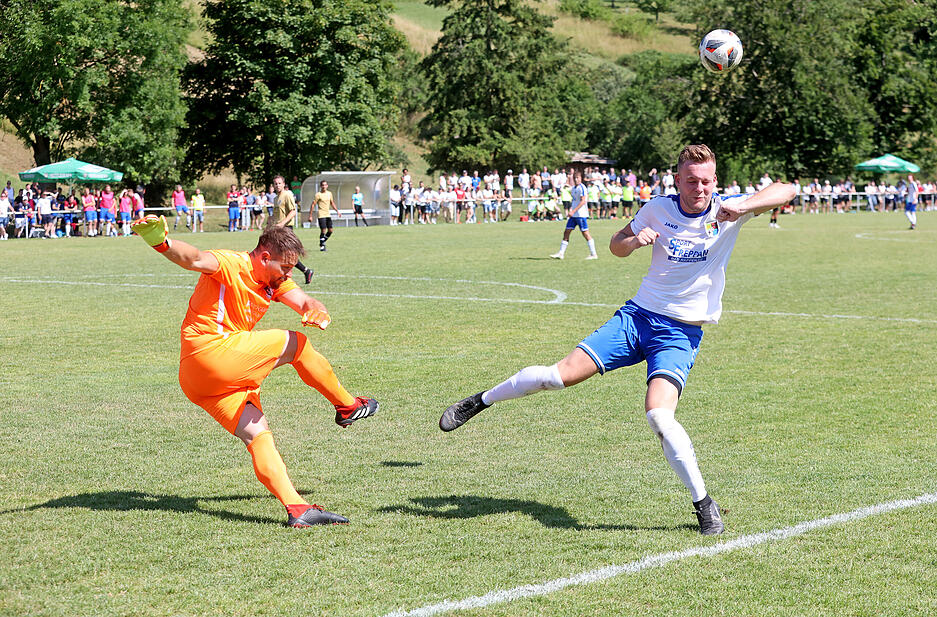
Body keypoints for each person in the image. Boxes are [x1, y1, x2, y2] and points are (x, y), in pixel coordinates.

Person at [441, 144, 796, 535]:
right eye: (691, 181)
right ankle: (480, 401)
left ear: (716, 180)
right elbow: (616, 245)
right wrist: (634, 240)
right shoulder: (657, 208)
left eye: (707, 181)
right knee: (557, 377)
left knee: (659, 416)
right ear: (676, 180)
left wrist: (743, 209)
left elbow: (788, 189)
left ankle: (704, 504)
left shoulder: (728, 209)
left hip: (679, 333)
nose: (700, 189)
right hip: (636, 318)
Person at [129, 218, 378, 526]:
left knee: (258, 433)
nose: (288, 275)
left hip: (201, 381)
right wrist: (162, 243)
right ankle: (348, 406)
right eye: (284, 268)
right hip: (211, 353)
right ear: (264, 257)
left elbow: (304, 300)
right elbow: (193, 258)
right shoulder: (230, 264)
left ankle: (298, 509)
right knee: (298, 344)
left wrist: (317, 309)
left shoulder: (273, 280)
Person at [272, 175, 315, 284]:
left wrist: (282, 223)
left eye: (279, 183)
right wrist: (270, 223)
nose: (277, 185)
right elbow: (276, 215)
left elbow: (293, 212)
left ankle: (283, 276)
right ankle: (305, 271)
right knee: (284, 254)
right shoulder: (276, 198)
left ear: (283, 184)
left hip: (286, 228)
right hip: (278, 229)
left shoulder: (287, 195)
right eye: (275, 183)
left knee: (284, 254)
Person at [550, 173, 597, 260]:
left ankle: (593, 254)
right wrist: (572, 210)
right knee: (566, 232)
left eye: (577, 178)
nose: (576, 179)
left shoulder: (582, 188)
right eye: (575, 178)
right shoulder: (574, 188)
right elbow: (575, 201)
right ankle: (561, 253)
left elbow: (583, 201)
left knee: (585, 234)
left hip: (581, 215)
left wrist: (573, 211)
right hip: (574, 215)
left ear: (581, 178)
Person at [309, 180, 342, 250]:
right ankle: (322, 247)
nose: (324, 186)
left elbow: (332, 203)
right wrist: (310, 216)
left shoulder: (329, 193)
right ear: (321, 186)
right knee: (323, 230)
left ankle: (322, 242)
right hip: (321, 215)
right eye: (323, 185)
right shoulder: (318, 194)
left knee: (330, 231)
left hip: (328, 215)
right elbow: (313, 205)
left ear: (327, 186)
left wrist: (337, 211)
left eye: (325, 185)